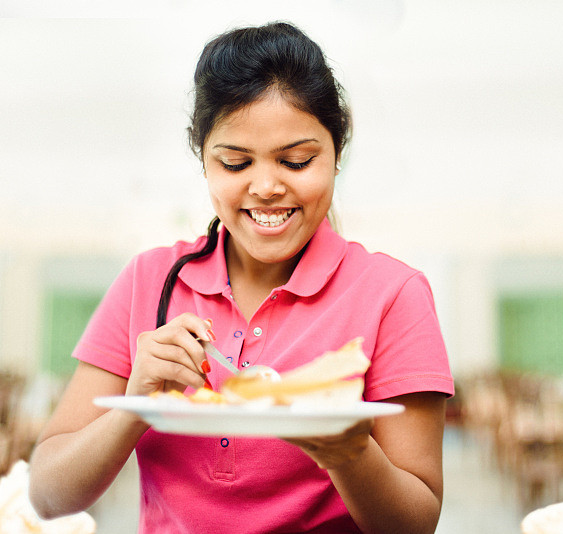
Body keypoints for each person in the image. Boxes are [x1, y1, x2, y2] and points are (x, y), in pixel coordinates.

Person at [28, 22, 453, 533]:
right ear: (204, 163)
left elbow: (416, 524)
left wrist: (349, 451)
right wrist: (135, 407)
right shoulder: (150, 279)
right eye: (235, 163)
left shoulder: (394, 294)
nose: (267, 186)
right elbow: (48, 495)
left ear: (337, 154)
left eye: (296, 160)